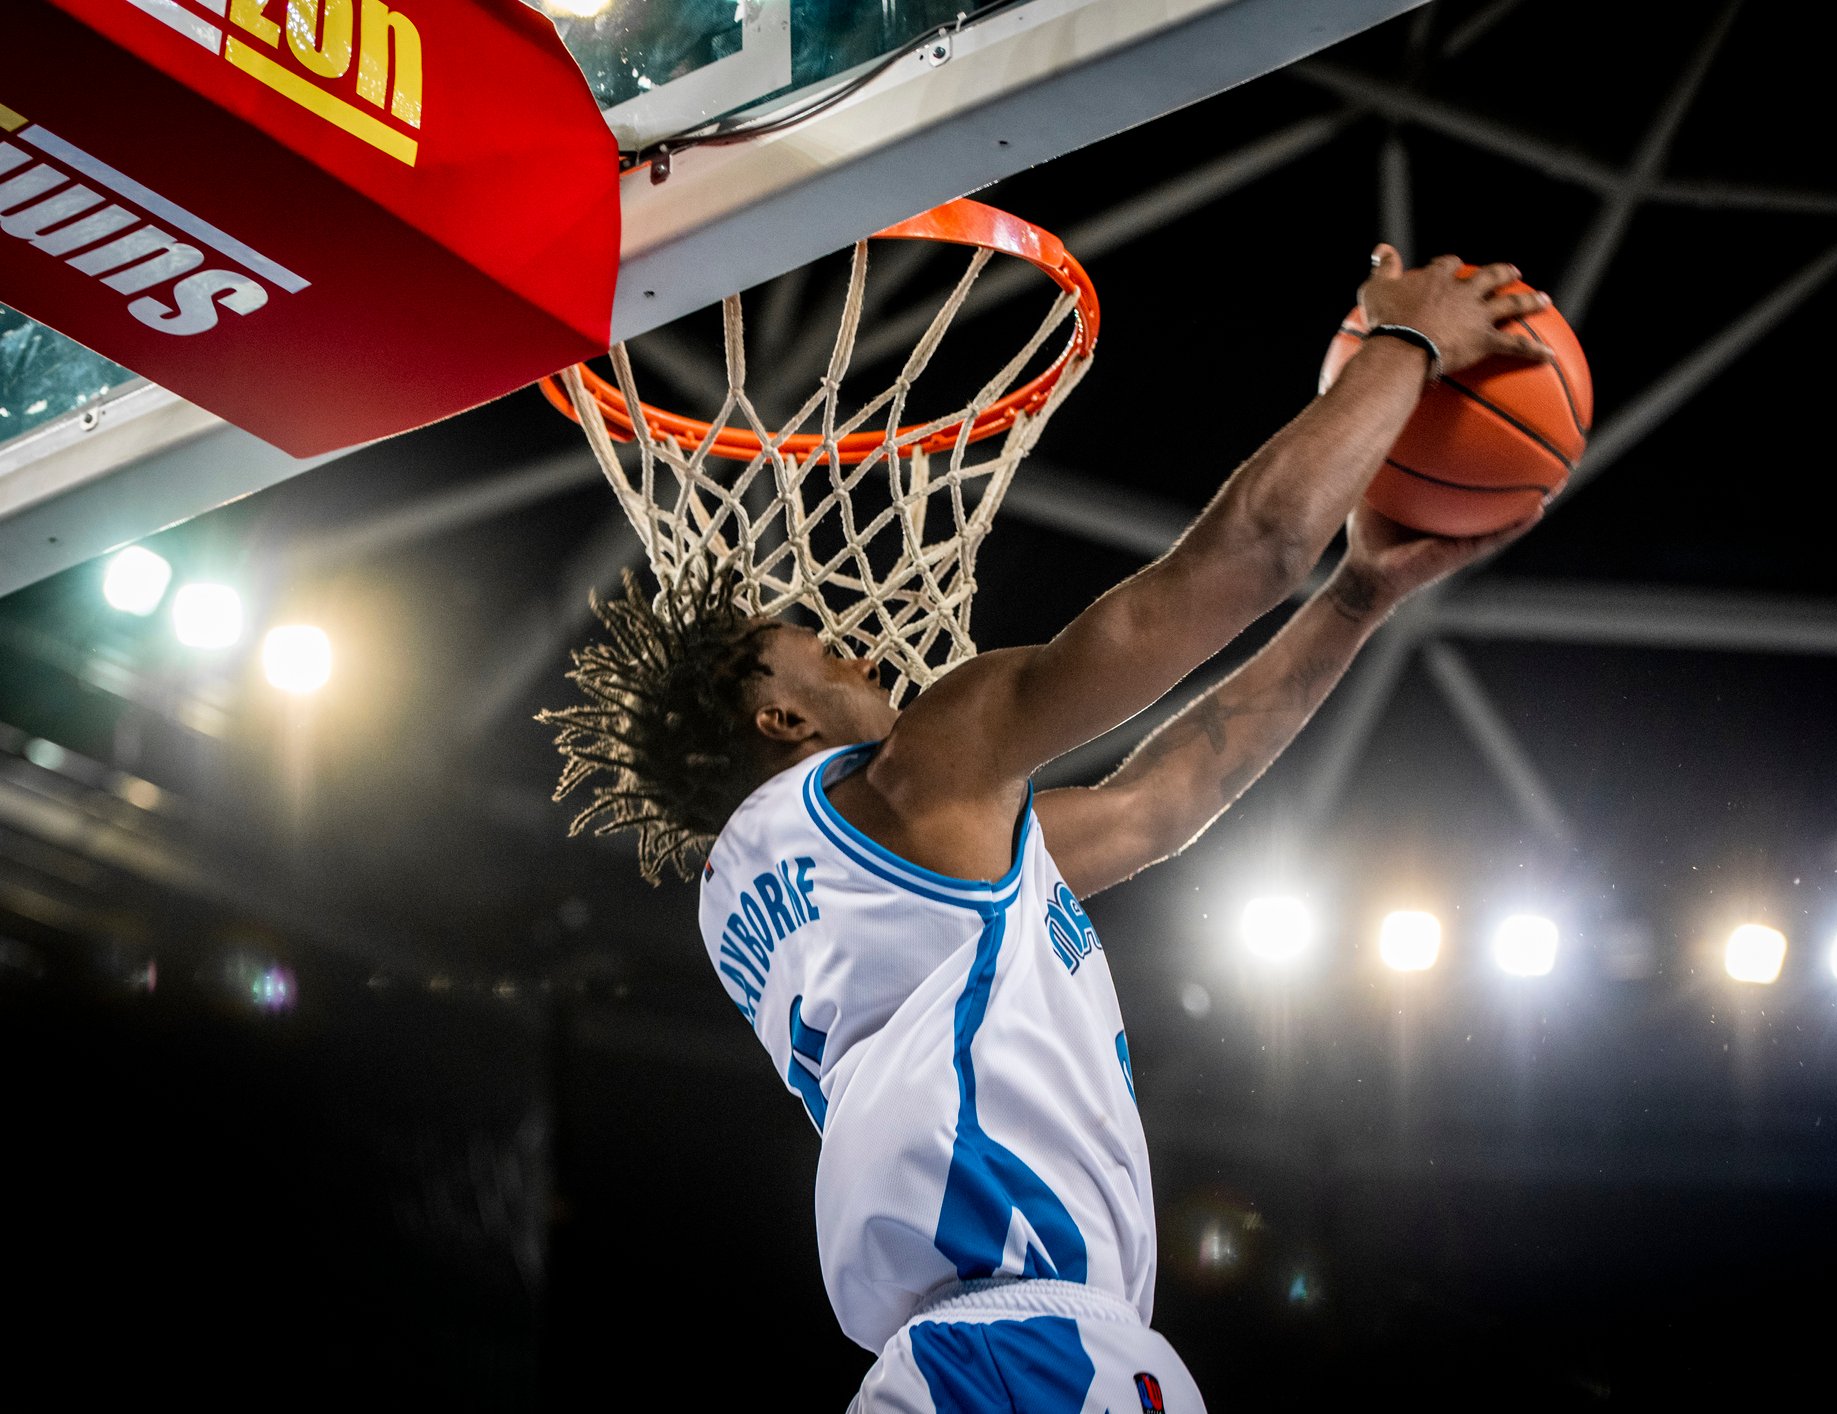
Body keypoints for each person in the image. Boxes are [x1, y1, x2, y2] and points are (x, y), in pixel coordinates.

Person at [539, 247, 1554, 1411]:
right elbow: (1253, 554)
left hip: (990, 1353)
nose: (858, 646)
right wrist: (1408, 344)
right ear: (776, 714)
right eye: (818, 647)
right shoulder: (926, 773)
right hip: (1019, 1355)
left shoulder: (769, 897)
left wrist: (1358, 597)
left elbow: (1160, 805)